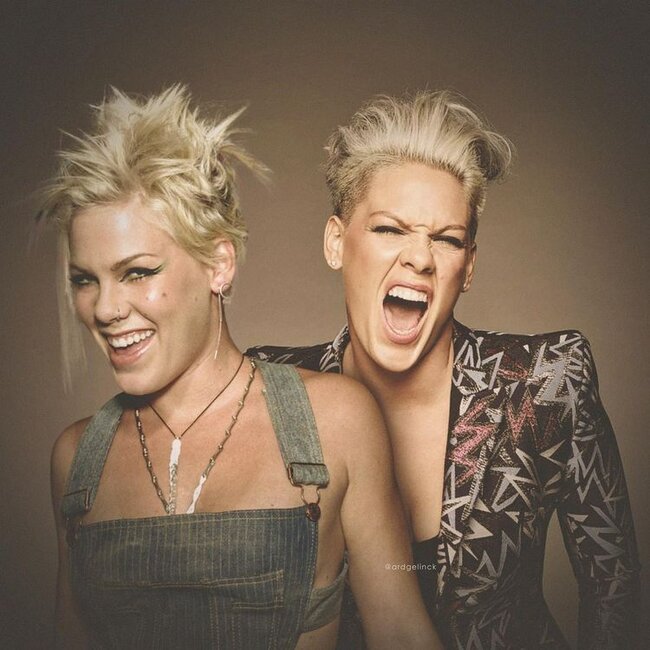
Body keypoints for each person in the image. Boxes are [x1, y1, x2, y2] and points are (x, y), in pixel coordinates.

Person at [43, 86, 441, 649]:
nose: (105, 308)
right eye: (86, 280)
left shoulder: (334, 421)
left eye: (137, 272)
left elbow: (401, 633)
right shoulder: (76, 459)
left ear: (219, 263)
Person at [249, 91, 640, 649]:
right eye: (389, 229)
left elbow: (612, 590)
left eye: (447, 239)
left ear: (468, 266)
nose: (419, 258)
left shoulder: (545, 383)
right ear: (336, 242)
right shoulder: (274, 387)